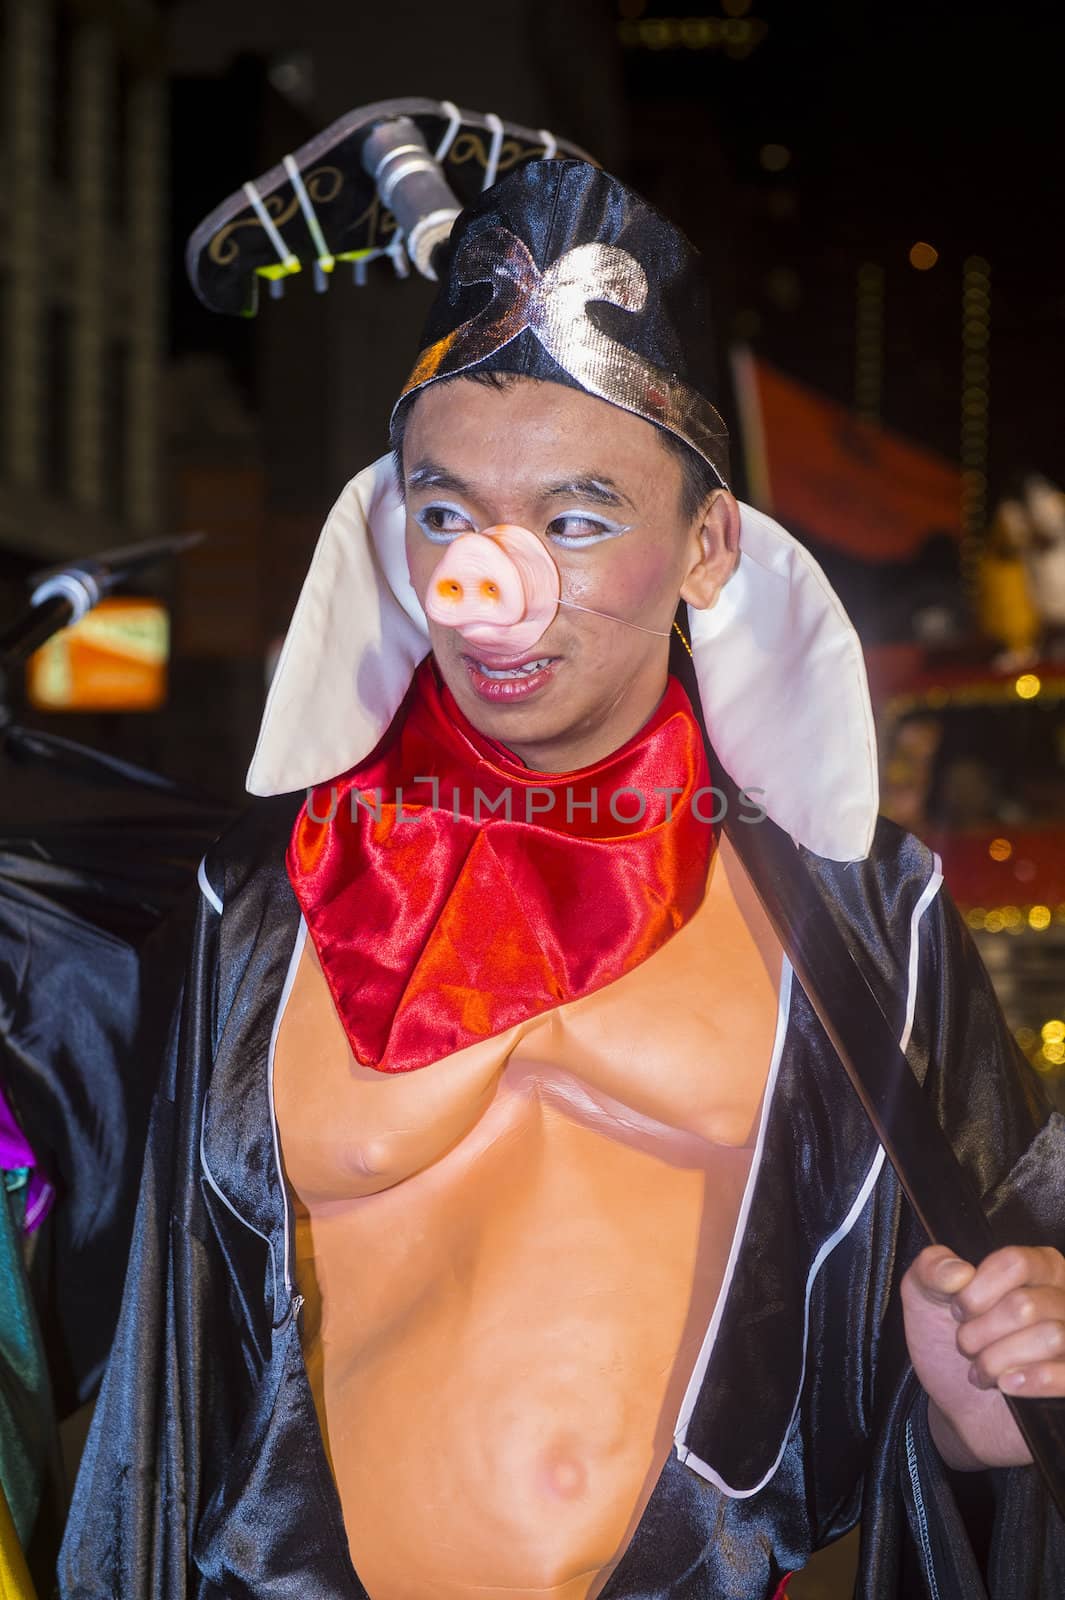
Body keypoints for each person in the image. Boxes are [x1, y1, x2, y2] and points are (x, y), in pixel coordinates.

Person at [59, 159, 1065, 1600]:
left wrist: (979, 1416)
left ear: (706, 545)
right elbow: (144, 1334)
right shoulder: (260, 901)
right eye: (446, 512)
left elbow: (978, 1329)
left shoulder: (858, 916)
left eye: (578, 518)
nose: (494, 582)